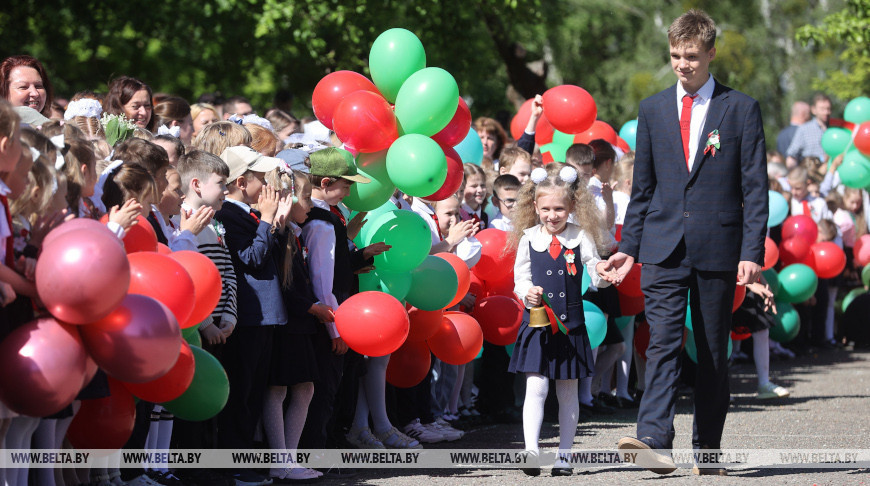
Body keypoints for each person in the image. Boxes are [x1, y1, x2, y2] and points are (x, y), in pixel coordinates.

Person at [606, 9, 768, 475]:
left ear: (711, 54)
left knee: (714, 350)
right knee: (661, 341)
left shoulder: (741, 109)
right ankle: (654, 439)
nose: (683, 64)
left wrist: (751, 254)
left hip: (719, 249)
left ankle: (708, 452)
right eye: (676, 55)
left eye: (692, 56)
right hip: (661, 246)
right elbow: (644, 187)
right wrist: (629, 246)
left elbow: (755, 188)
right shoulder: (654, 108)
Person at [509, 165, 617, 476]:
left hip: (570, 328)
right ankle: (531, 451)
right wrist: (527, 293)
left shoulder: (580, 236)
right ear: (535, 207)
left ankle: (564, 457)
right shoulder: (529, 237)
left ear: (571, 206)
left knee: (567, 392)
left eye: (559, 208)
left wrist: (605, 274)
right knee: (536, 387)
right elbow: (520, 277)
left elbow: (594, 267)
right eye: (546, 209)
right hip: (539, 325)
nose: (553, 215)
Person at [297, 147, 388, 477]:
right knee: (325, 390)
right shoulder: (320, 223)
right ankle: (316, 451)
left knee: (337, 386)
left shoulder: (330, 218)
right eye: (346, 185)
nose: (350, 191)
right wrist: (335, 328)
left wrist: (360, 256)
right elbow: (322, 278)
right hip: (330, 319)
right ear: (324, 183)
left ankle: (328, 445)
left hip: (337, 314)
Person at [214, 145, 287, 486]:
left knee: (253, 393)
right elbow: (251, 258)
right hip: (246, 318)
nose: (267, 185)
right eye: (261, 178)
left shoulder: (248, 213)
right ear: (241, 182)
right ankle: (233, 464)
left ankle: (244, 460)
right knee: (241, 395)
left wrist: (271, 222)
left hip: (262, 317)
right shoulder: (229, 213)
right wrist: (269, 221)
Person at [262, 167, 328, 482]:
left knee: (302, 388)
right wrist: (311, 307)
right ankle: (281, 459)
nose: (311, 205)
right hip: (287, 325)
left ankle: (288, 456)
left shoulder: (293, 234)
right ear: (287, 200)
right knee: (279, 389)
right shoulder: (279, 235)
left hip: (298, 324)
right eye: (306, 198)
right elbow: (283, 288)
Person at [786, 94, 832, 167]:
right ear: (814, 110)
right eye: (822, 109)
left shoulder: (834, 129)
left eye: (828, 109)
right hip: (811, 174)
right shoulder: (804, 129)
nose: (826, 112)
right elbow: (792, 155)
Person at [460, 163, 489, 229]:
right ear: (462, 187)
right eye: (474, 186)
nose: (480, 190)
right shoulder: (458, 215)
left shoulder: (484, 216)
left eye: (482, 185)